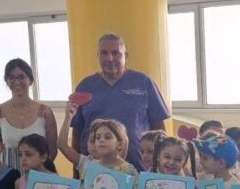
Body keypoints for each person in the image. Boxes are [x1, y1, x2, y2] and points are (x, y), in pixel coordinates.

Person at [67, 33, 169, 172]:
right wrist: (76, 172)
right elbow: (77, 133)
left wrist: (161, 169)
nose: (110, 58)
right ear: (98, 55)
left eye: (116, 53)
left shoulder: (144, 82)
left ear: (125, 56)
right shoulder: (85, 86)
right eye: (104, 53)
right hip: (94, 173)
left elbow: (159, 130)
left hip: (140, 170)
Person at [0, 58, 58, 172]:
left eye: (21, 77)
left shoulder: (45, 112)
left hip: (37, 177)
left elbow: (52, 150)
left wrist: (38, 174)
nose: (16, 82)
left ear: (31, 80)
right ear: (6, 81)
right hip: (6, 176)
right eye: (11, 77)